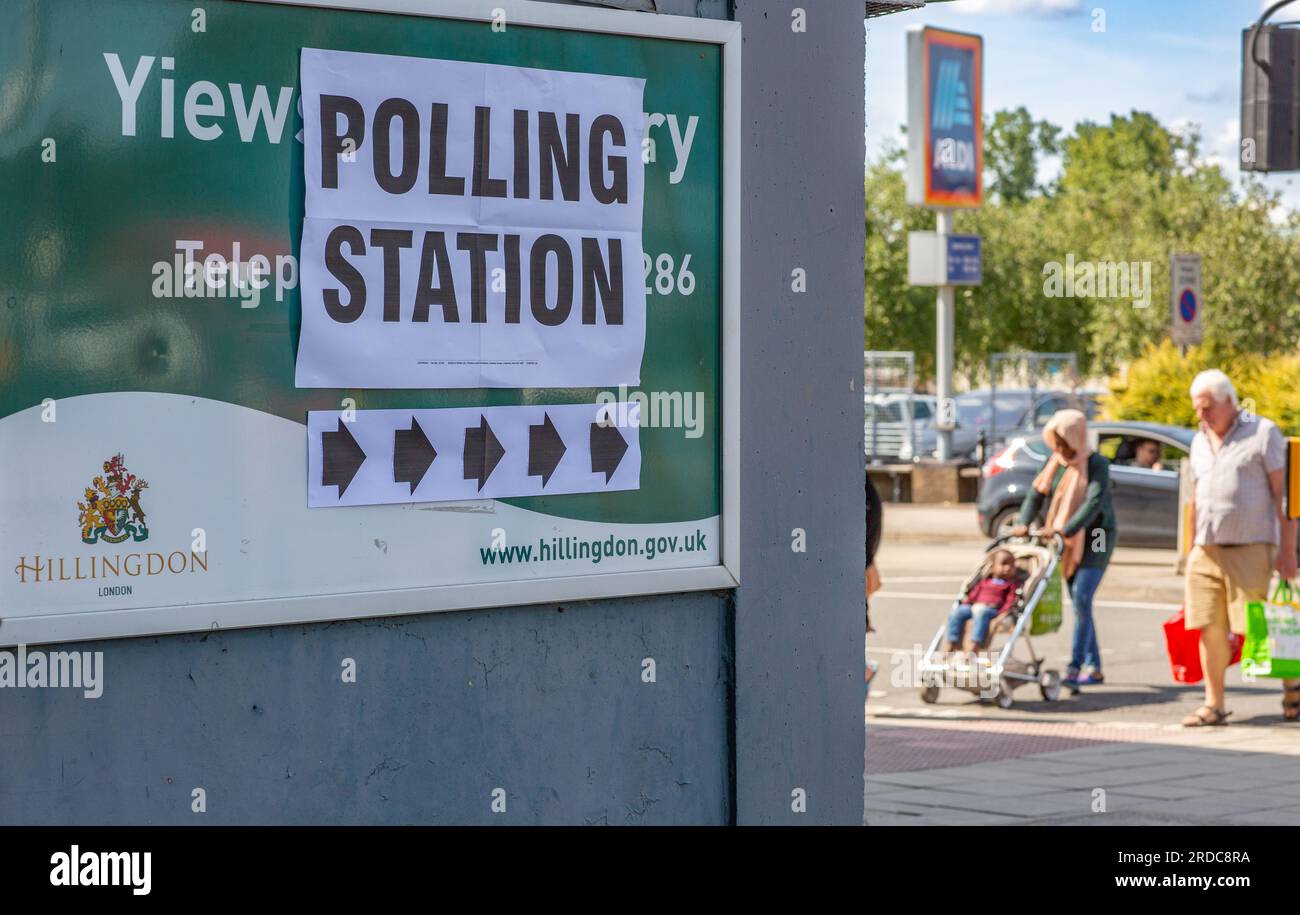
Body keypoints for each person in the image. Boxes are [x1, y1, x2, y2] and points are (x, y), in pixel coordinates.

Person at [1182, 370, 1299, 726]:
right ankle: (1213, 704)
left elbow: (1285, 496)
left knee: (1260, 625)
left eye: (1208, 408)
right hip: (1206, 548)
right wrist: (1189, 551)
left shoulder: (1262, 433)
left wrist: (1288, 551)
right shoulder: (1199, 440)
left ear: (1230, 402)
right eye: (1197, 409)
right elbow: (1194, 500)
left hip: (1251, 545)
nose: (1202, 416)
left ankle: (1292, 688)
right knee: (1208, 625)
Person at [1010, 409, 1115, 688]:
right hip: (1065, 540)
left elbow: (1093, 504)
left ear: (1076, 438)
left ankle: (1076, 666)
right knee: (1081, 603)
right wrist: (1023, 522)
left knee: (1082, 596)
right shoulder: (1054, 463)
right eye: (1055, 443)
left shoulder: (1097, 465)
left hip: (1096, 536)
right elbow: (1036, 493)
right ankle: (1094, 667)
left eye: (1063, 442)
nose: (1059, 449)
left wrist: (1066, 529)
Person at [944, 549, 1019, 656]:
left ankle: (975, 644)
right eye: (1003, 564)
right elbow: (973, 595)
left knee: (980, 610)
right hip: (974, 606)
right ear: (992, 567)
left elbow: (1010, 601)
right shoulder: (984, 582)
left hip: (991, 609)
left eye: (1011, 565)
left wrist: (1003, 612)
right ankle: (952, 641)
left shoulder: (1010, 585)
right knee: (957, 612)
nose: (1008, 568)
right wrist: (967, 602)